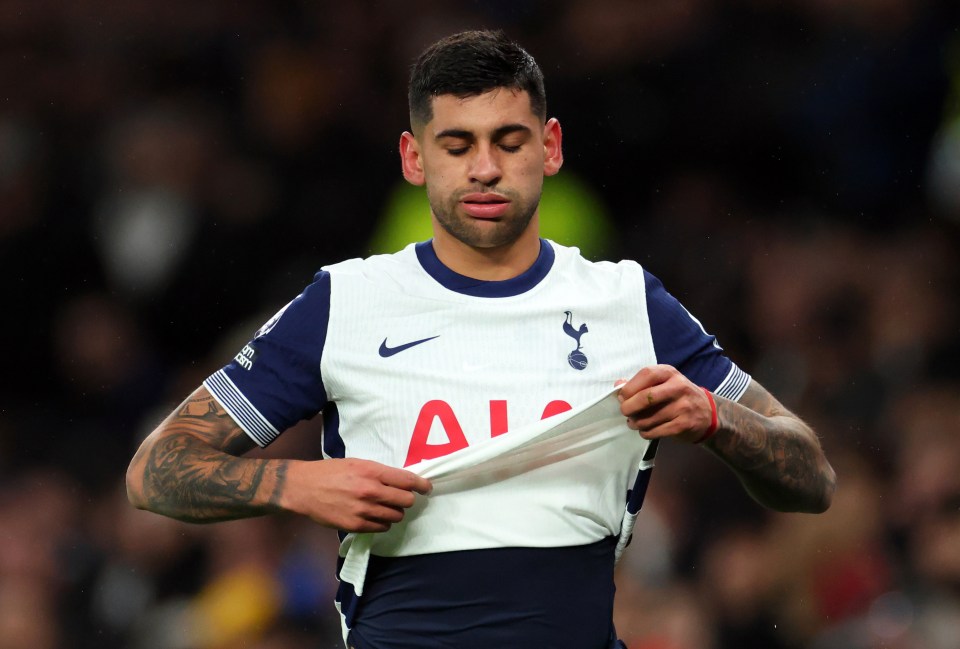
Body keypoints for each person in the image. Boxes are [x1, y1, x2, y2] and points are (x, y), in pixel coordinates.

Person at [126, 29, 836, 649]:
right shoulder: (346, 303)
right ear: (413, 158)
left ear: (550, 146)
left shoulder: (625, 301)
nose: (485, 168)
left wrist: (714, 418)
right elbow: (155, 469)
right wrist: (294, 482)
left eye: (509, 140)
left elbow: (811, 476)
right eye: (457, 144)